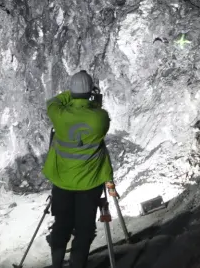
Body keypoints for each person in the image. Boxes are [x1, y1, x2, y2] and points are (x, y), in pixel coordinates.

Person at [43, 71, 113, 268]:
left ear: (72, 92)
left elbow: (53, 101)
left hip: (62, 181)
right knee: (84, 228)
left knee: (62, 224)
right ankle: (77, 264)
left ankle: (56, 263)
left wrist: (72, 94)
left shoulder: (59, 114)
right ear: (90, 91)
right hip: (89, 184)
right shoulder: (100, 118)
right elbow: (96, 112)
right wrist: (91, 100)